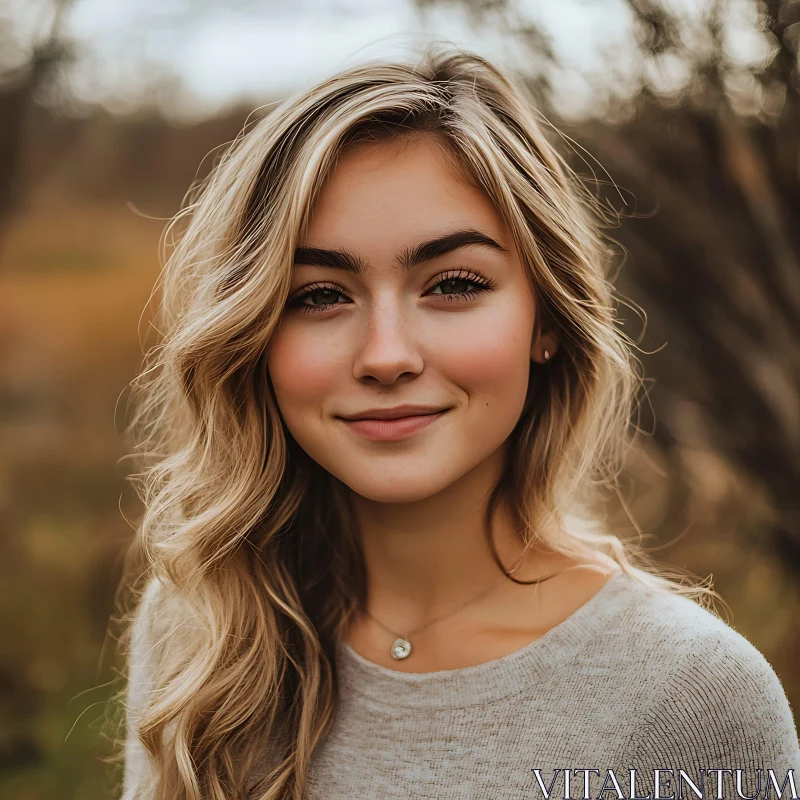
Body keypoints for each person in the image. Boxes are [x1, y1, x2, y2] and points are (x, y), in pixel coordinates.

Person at [115, 45, 799, 800]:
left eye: (453, 284)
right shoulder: (203, 624)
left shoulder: (691, 697)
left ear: (547, 320)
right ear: (254, 338)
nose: (385, 356)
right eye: (318, 295)